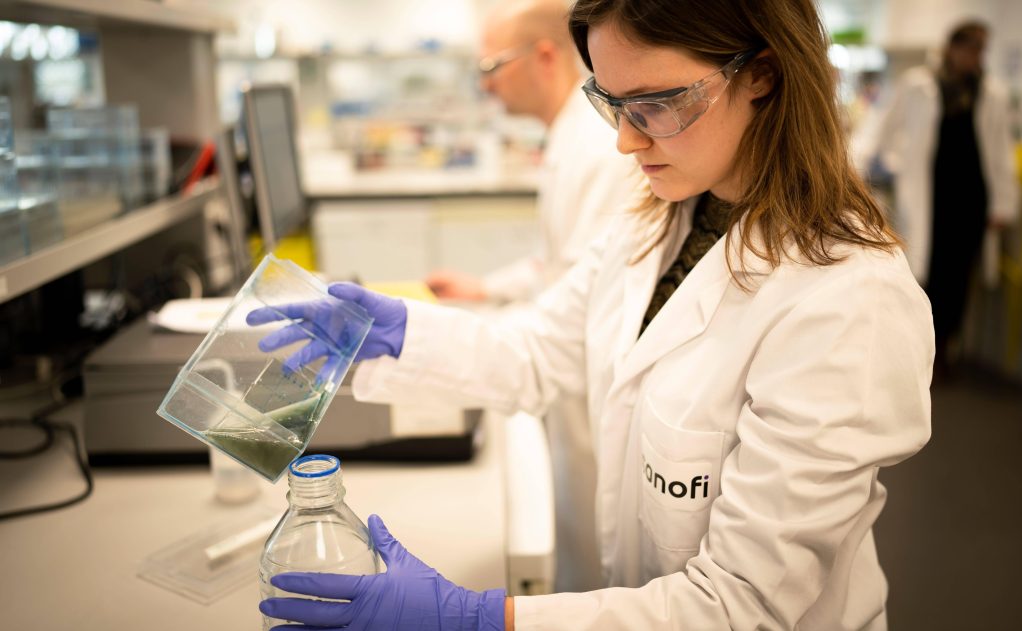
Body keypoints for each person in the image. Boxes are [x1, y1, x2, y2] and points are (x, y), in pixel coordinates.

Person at [255, 0, 935, 628]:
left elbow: (739, 603)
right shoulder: (655, 222)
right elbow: (542, 350)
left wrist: (478, 619)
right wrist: (399, 337)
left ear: (762, 74)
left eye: (659, 104)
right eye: (613, 104)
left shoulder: (847, 301)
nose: (625, 143)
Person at [427, 0, 641, 593]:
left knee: (596, 560)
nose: (486, 83)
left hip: (586, 388)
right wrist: (488, 289)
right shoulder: (570, 133)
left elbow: (580, 297)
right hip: (566, 374)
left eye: (493, 65)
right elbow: (564, 261)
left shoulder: (599, 144)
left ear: (545, 56)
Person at [868, 20, 1020, 374]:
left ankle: (945, 351)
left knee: (959, 275)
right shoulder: (921, 84)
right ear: (952, 48)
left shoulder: (991, 92)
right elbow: (889, 127)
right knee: (927, 271)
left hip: (970, 197)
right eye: (969, 47)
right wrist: (890, 162)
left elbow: (1000, 150)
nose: (974, 56)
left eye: (981, 49)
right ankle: (920, 349)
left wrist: (1002, 202)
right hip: (931, 194)